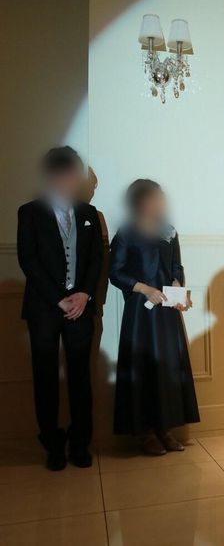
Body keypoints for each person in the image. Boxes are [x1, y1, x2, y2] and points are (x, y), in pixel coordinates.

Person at [17, 146, 103, 471]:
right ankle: (53, 444)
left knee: (81, 376)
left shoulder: (90, 213)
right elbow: (29, 260)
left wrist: (85, 295)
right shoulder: (29, 212)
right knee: (45, 377)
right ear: (53, 176)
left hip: (81, 308)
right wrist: (59, 298)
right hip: (43, 309)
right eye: (68, 175)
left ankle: (80, 443)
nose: (75, 181)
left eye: (76, 175)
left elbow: (96, 259)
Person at [109, 179, 199, 455]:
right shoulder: (126, 233)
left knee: (167, 368)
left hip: (166, 312)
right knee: (144, 367)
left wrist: (177, 284)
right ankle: (145, 433)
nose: (161, 202)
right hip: (140, 313)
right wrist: (144, 288)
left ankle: (165, 429)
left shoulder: (168, 231)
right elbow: (115, 272)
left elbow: (176, 266)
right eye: (155, 197)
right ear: (141, 201)